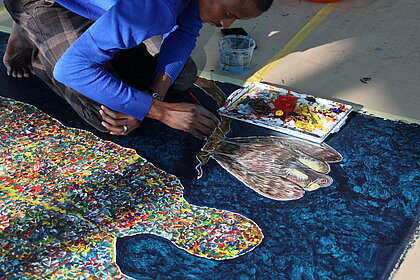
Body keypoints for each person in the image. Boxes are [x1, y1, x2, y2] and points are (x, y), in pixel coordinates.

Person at [3, 0, 274, 139]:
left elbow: (185, 32)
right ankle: (33, 33)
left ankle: (95, 33)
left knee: (182, 76)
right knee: (108, 116)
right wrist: (160, 112)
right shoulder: (153, 10)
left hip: (118, 9)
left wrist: (151, 98)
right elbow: (71, 70)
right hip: (41, 2)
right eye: (228, 12)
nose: (227, 24)